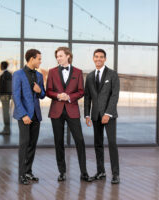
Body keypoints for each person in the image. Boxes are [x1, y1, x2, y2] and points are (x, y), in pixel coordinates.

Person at [46, 47, 93, 182]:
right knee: (58, 142)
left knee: (80, 140)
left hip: (72, 110)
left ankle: (84, 173)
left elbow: (81, 91)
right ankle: (62, 172)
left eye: (60, 56)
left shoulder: (78, 72)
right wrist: (58, 95)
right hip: (56, 111)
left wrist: (70, 97)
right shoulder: (52, 72)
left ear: (68, 56)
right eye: (57, 56)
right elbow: (48, 91)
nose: (58, 58)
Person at [84, 49, 120, 184]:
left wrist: (108, 113)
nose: (98, 59)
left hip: (109, 116)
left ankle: (115, 174)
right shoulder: (90, 76)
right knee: (98, 144)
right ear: (93, 58)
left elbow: (114, 95)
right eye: (96, 56)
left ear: (105, 59)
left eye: (101, 57)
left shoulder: (112, 74)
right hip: (95, 116)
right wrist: (87, 115)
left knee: (112, 143)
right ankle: (101, 172)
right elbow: (87, 97)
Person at [12, 49, 45, 185]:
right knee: (24, 144)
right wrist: (24, 114)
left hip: (36, 115)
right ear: (31, 59)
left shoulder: (39, 75)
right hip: (24, 116)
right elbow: (16, 96)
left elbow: (42, 94)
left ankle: (28, 172)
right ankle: (21, 175)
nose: (40, 61)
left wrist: (39, 91)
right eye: (39, 59)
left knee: (32, 145)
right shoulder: (18, 74)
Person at [0, 61, 12, 135]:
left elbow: (0, 88)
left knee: (5, 113)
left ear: (3, 66)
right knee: (7, 113)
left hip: (4, 96)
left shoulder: (3, 76)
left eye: (0, 65)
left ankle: (6, 129)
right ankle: (7, 129)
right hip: (8, 96)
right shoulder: (10, 75)